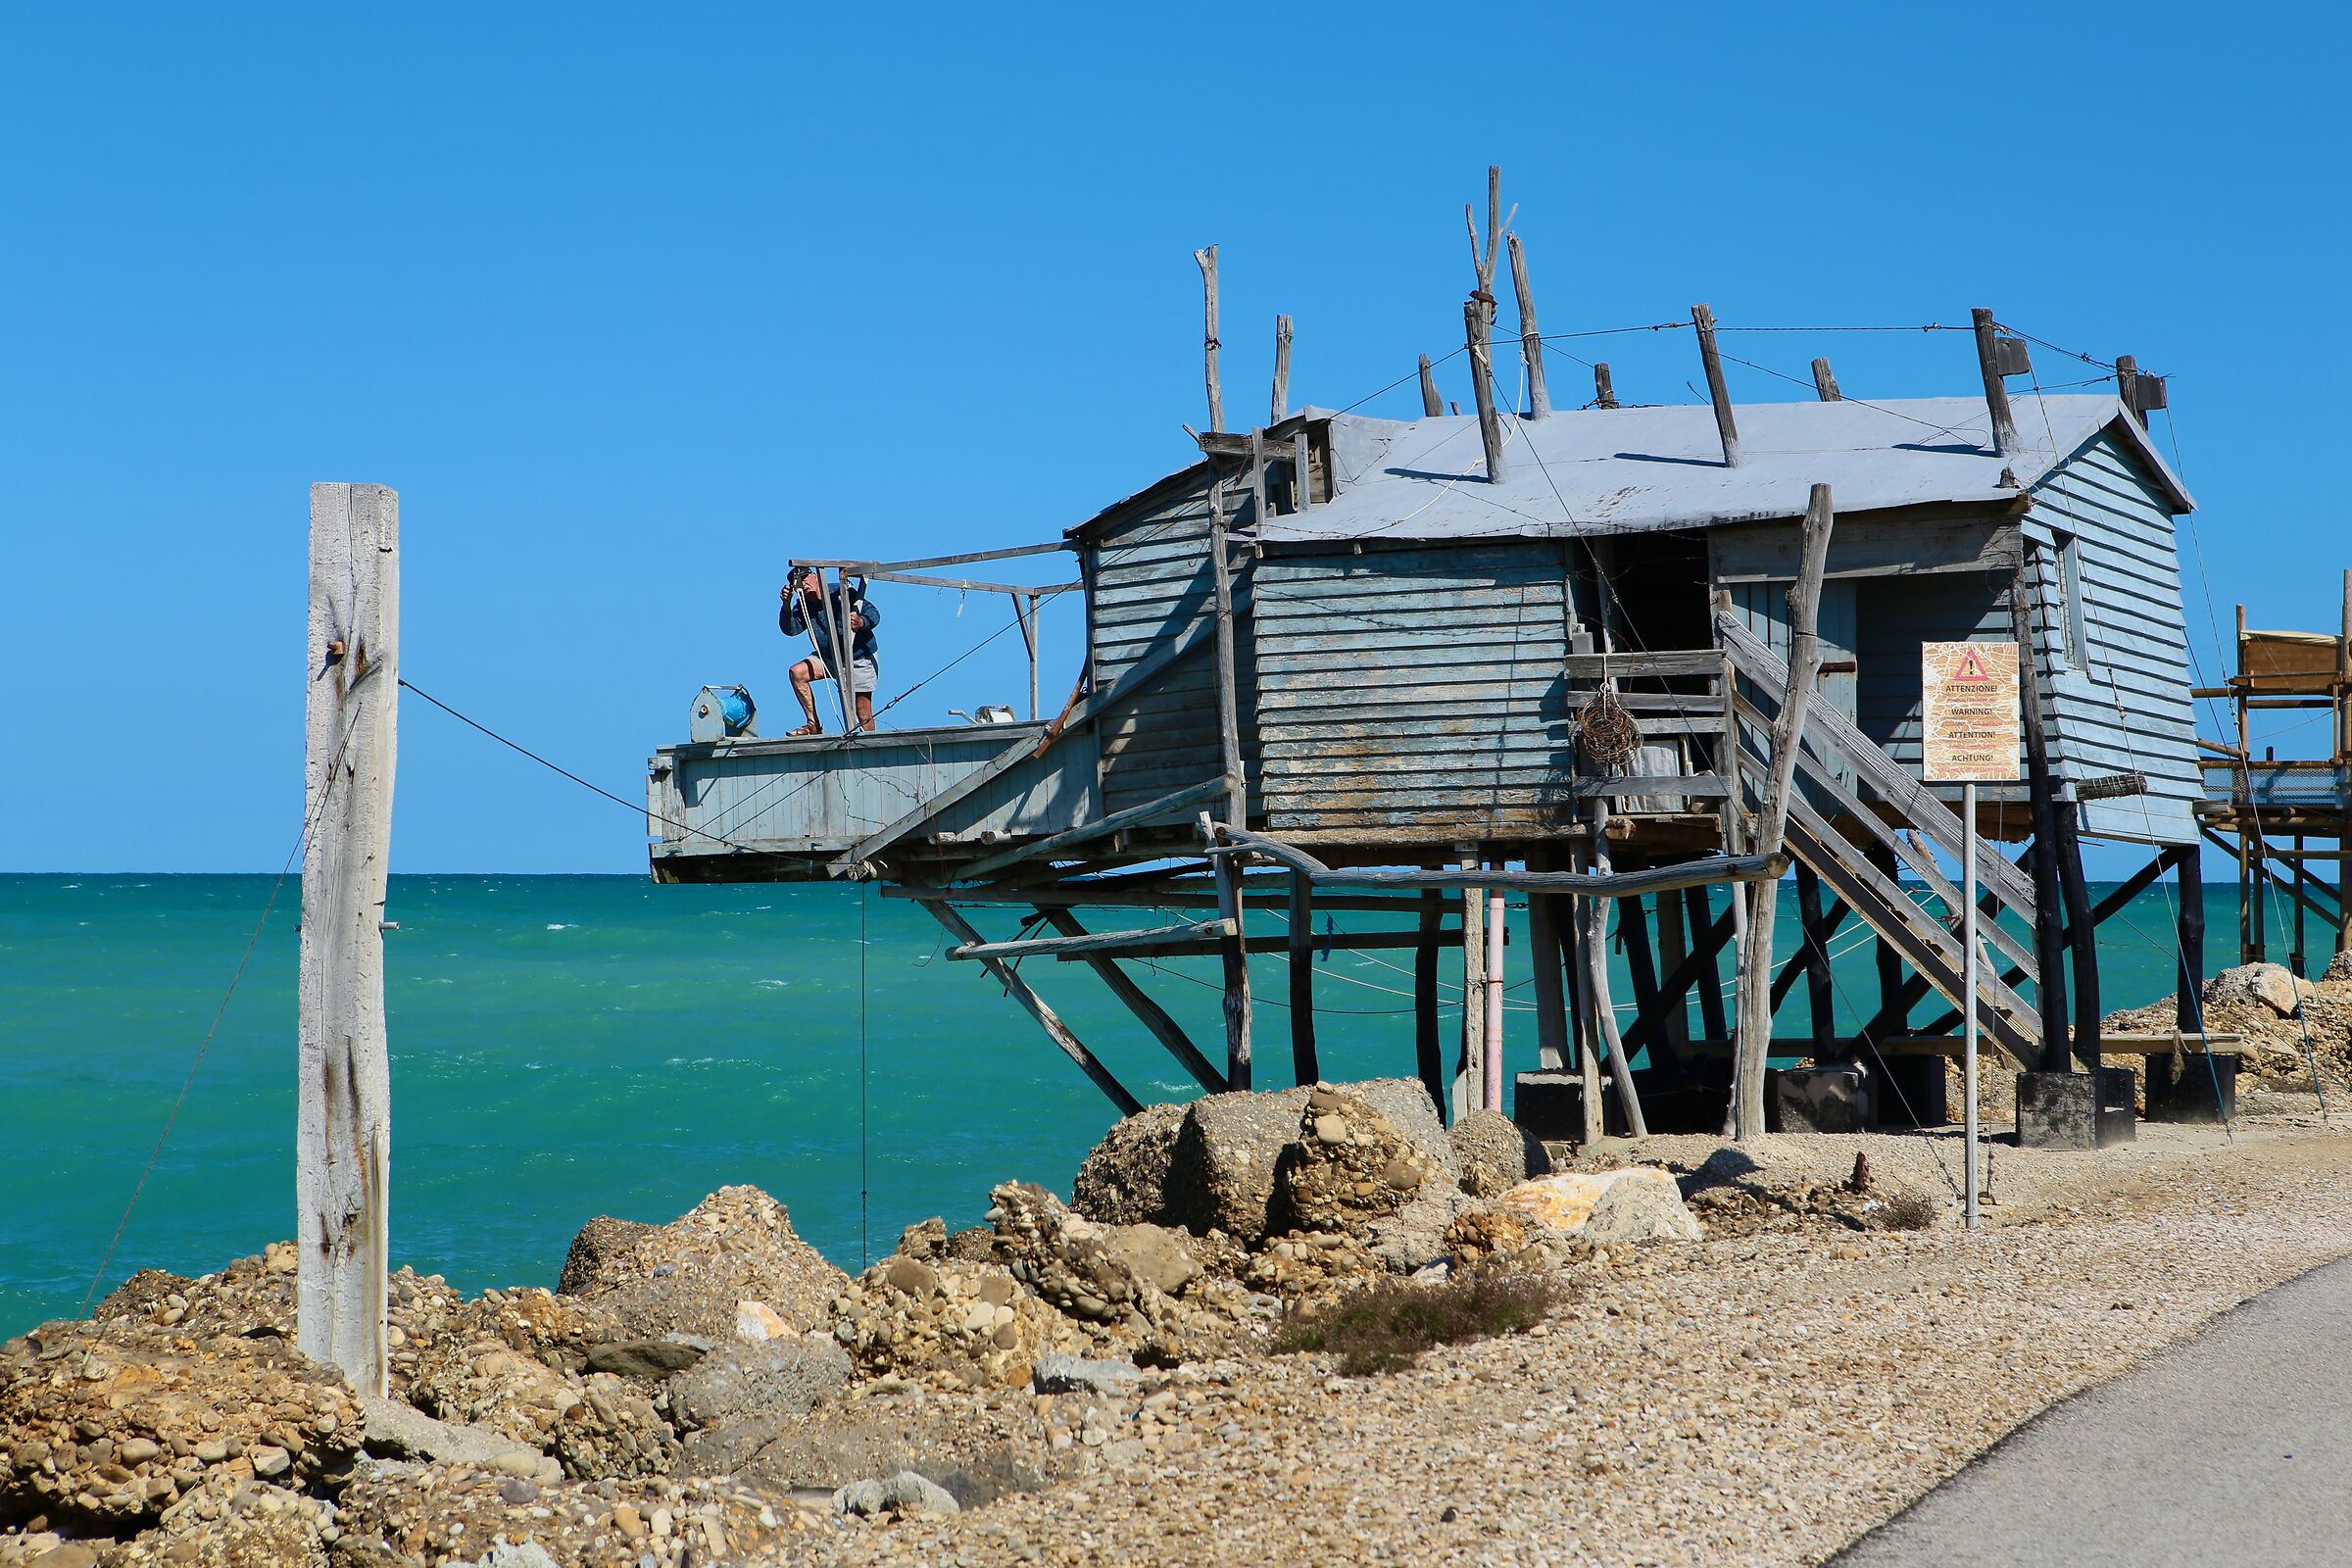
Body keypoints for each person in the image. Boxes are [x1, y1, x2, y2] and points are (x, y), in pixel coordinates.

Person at [780, 566, 881, 735]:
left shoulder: (841, 592)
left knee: (862, 710)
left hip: (858, 657)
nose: (803, 584)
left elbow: (873, 613)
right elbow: (790, 630)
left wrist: (861, 621)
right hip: (828, 658)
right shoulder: (803, 604)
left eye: (805, 578)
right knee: (797, 672)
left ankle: (871, 745)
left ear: (814, 576)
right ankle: (813, 724)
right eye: (798, 583)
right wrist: (786, 605)